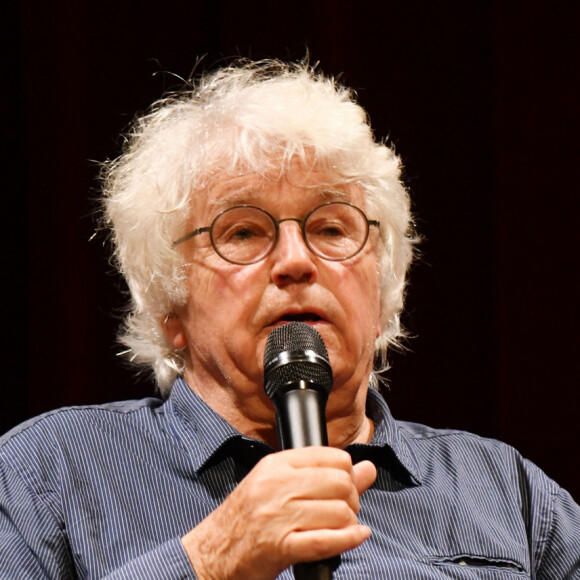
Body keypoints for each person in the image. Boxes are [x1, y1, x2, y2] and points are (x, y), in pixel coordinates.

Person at [0, 59, 578, 580]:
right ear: (169, 305)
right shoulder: (47, 471)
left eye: (331, 228)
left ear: (380, 293)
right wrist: (209, 561)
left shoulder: (505, 490)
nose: (297, 261)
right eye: (244, 233)